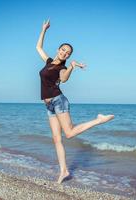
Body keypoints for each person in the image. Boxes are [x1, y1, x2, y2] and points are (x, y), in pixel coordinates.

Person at [37, 19, 115, 184]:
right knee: (57, 139)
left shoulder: (62, 68)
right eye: (63, 50)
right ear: (59, 49)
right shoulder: (49, 61)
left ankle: (99, 120)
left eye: (68, 53)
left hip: (59, 101)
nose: (65, 53)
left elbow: (63, 80)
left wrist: (71, 66)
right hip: (49, 106)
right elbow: (38, 47)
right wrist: (44, 30)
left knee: (69, 133)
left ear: (68, 56)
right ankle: (64, 171)